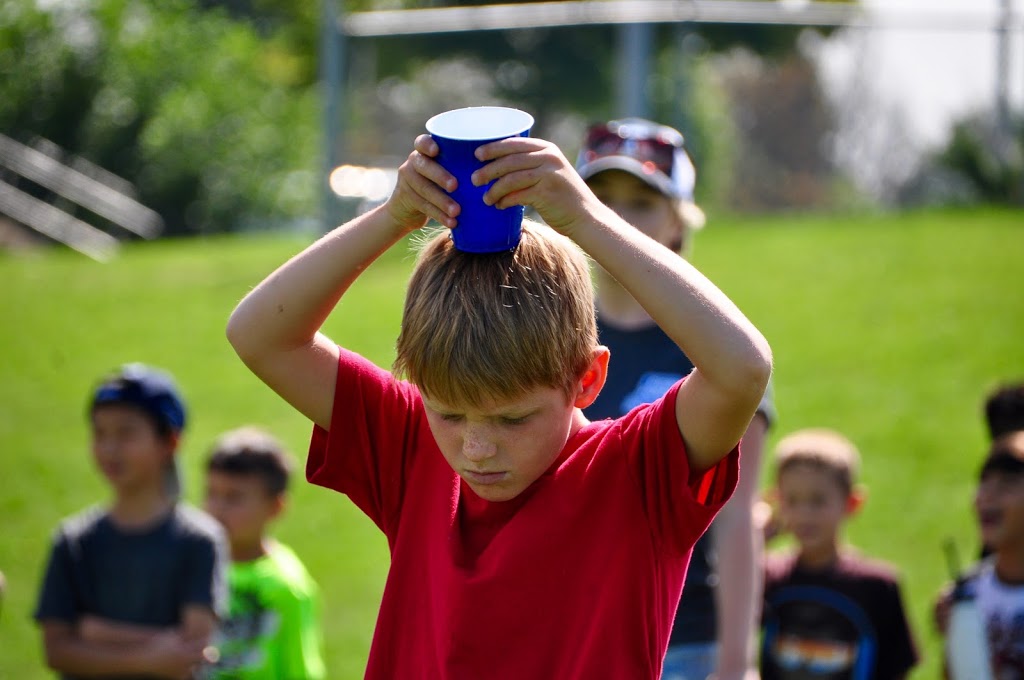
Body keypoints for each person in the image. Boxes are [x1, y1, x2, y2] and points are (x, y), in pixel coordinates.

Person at [226, 128, 772, 677]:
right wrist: (395, 216)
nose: (476, 449)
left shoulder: (636, 470)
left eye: (513, 418)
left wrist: (585, 218)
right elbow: (259, 334)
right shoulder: (411, 446)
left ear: (587, 379)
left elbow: (742, 368)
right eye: (449, 413)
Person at [576, 117, 774, 680]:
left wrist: (736, 661)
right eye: (600, 199)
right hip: (572, 628)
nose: (616, 218)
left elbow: (738, 517)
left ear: (678, 221)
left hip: (685, 640)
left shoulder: (717, 346)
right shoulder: (546, 334)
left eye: (641, 202)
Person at [34, 363, 228, 679]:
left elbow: (191, 649)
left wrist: (95, 633)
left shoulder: (200, 540)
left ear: (170, 442)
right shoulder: (73, 540)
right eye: (99, 433)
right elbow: (56, 651)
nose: (109, 448)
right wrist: (151, 656)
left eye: (126, 433)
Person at [758, 428, 919, 680]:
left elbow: (896, 667)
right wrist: (756, 542)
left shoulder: (877, 585)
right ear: (775, 501)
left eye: (818, 501)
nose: (803, 514)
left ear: (852, 502)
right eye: (792, 500)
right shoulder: (768, 576)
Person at [200, 426, 325, 679]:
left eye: (234, 498)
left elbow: (299, 669)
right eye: (211, 493)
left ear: (275, 506)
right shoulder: (189, 564)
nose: (217, 508)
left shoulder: (286, 587)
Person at [935, 431, 1024, 676]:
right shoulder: (967, 592)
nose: (986, 495)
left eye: (1007, 484)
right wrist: (956, 637)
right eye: (984, 481)